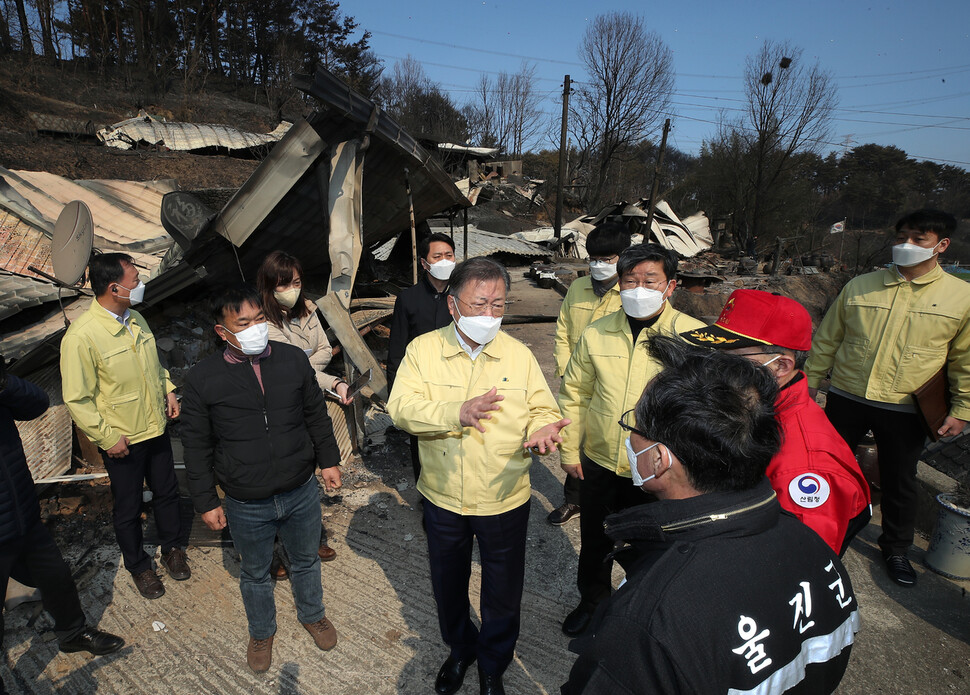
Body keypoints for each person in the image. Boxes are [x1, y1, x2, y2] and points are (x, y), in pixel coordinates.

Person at [561, 336, 860, 695]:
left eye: (634, 426)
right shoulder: (811, 544)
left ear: (659, 459)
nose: (629, 437)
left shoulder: (648, 620)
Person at [388, 258, 569, 695]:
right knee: (447, 583)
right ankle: (460, 648)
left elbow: (542, 408)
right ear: (453, 305)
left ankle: (493, 664)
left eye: (498, 305)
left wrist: (544, 428)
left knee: (503, 592)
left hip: (503, 496)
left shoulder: (518, 354)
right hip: (444, 496)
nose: (489, 315)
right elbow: (401, 410)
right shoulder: (424, 351)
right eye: (479, 303)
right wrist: (457, 412)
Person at [180, 285, 342, 673]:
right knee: (254, 572)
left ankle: (313, 614)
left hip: (300, 488)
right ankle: (261, 630)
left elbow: (315, 415)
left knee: (305, 560)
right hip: (245, 499)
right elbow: (197, 446)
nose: (255, 328)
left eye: (259, 320)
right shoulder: (204, 378)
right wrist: (206, 500)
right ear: (222, 332)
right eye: (243, 323)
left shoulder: (291, 359)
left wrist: (328, 460)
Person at [805, 209, 970, 587]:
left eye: (918, 239)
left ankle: (895, 548)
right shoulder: (861, 285)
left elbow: (965, 359)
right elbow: (828, 338)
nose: (906, 246)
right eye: (902, 237)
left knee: (900, 480)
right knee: (826, 469)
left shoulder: (960, 297)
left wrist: (962, 409)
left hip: (905, 406)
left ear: (941, 246)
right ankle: (816, 532)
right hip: (848, 395)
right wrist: (811, 381)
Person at [557, 243, 703, 637]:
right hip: (601, 460)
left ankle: (646, 613)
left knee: (655, 548)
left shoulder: (691, 338)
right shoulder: (597, 333)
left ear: (671, 285)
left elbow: (702, 409)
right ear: (619, 285)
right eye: (630, 280)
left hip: (662, 469)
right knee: (595, 542)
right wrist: (570, 451)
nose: (639, 289)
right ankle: (592, 604)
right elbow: (576, 394)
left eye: (649, 280)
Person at [681, 289, 872, 555]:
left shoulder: (803, 465)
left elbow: (800, 561)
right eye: (714, 354)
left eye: (731, 360)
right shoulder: (755, 406)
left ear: (780, 366)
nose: (714, 368)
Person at [60, 253, 189, 600]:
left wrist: (169, 389)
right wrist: (106, 438)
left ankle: (173, 548)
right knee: (129, 507)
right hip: (123, 439)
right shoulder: (82, 337)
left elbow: (155, 366)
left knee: (167, 493)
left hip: (156, 428)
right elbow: (77, 398)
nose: (140, 284)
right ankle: (139, 566)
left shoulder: (137, 320)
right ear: (114, 287)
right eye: (135, 278)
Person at [0, 364, 124, 660]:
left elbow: (36, 404)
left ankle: (72, 633)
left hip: (23, 513)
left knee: (56, 577)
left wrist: (4, 381)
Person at [257, 251, 349, 574]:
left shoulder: (308, 308)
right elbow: (287, 369)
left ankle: (311, 538)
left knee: (311, 470)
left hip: (308, 398)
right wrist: (329, 378)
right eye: (284, 284)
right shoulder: (263, 324)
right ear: (270, 286)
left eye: (296, 282)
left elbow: (323, 350)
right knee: (283, 478)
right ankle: (275, 548)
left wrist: (308, 368)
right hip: (282, 409)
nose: (292, 289)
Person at [548, 223, 631, 527]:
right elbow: (562, 330)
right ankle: (573, 500)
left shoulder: (630, 295)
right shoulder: (578, 289)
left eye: (606, 259)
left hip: (613, 385)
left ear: (623, 257)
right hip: (577, 381)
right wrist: (564, 368)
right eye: (593, 258)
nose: (597, 265)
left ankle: (619, 511)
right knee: (574, 438)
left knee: (614, 443)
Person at [386, 232, 457, 483]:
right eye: (437, 256)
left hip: (456, 381)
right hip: (422, 384)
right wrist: (397, 392)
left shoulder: (462, 296)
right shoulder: (408, 299)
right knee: (422, 441)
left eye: (449, 255)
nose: (444, 261)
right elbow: (397, 349)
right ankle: (426, 492)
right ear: (424, 263)